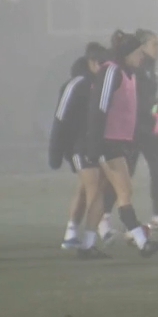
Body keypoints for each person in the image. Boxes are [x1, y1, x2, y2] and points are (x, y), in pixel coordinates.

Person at [86, 30, 158, 258]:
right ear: (128, 54)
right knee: (124, 191)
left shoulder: (128, 73)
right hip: (107, 142)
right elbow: (99, 107)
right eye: (139, 53)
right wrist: (95, 144)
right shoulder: (111, 71)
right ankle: (141, 241)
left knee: (104, 195)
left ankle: (87, 244)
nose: (142, 57)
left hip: (117, 141)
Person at [50, 42, 113, 258]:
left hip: (97, 144)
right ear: (92, 63)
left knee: (86, 189)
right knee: (94, 188)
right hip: (79, 145)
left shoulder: (103, 84)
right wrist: (56, 151)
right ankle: (99, 232)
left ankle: (71, 234)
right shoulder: (76, 84)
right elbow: (60, 118)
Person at [125, 29, 158, 230]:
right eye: (154, 44)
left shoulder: (149, 67)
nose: (157, 49)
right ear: (142, 46)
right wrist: (157, 109)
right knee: (125, 174)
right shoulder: (135, 67)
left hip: (148, 127)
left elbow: (148, 97)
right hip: (134, 128)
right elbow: (138, 100)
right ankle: (104, 216)